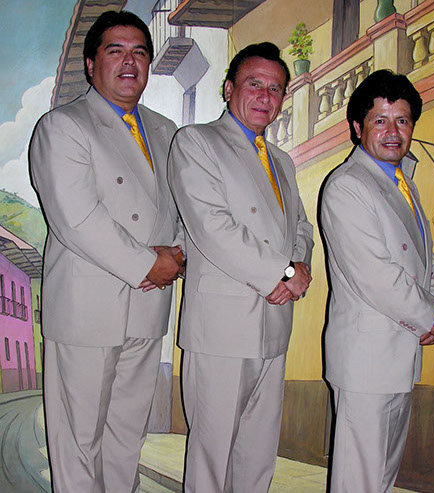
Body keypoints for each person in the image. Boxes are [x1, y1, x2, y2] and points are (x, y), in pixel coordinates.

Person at [29, 10, 184, 493]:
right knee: (78, 442)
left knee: (126, 440)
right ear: (91, 62)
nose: (129, 62)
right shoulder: (63, 125)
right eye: (115, 51)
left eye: (139, 52)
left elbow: (184, 209)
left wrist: (177, 256)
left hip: (147, 304)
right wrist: (149, 263)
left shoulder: (166, 131)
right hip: (87, 309)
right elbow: (76, 218)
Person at [168, 42, 314, 493]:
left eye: (276, 88)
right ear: (229, 88)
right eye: (254, 84)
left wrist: (299, 267)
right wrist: (282, 274)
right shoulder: (197, 142)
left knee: (258, 454)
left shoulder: (282, 161)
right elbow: (213, 228)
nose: (265, 97)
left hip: (275, 321)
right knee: (212, 459)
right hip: (222, 327)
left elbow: (301, 227)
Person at [320, 69, 434, 493]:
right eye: (380, 120)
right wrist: (430, 315)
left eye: (403, 121)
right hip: (367, 359)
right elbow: (375, 274)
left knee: (381, 479)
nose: (393, 132)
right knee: (359, 481)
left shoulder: (402, 182)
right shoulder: (348, 186)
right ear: (358, 128)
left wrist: (433, 309)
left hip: (399, 353)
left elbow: (425, 260)